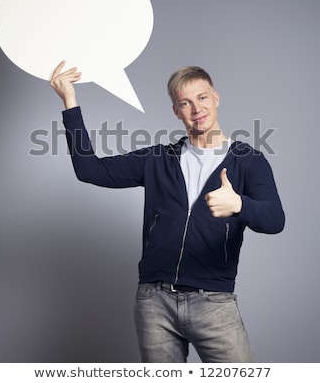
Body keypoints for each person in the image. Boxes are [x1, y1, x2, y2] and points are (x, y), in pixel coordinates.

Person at [50, 61, 285, 363]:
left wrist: (240, 205)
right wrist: (70, 102)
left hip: (213, 301)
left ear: (216, 98)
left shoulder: (248, 161)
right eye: (184, 103)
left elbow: (275, 220)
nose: (195, 108)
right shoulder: (158, 158)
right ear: (176, 111)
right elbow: (90, 170)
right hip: (154, 303)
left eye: (201, 98)